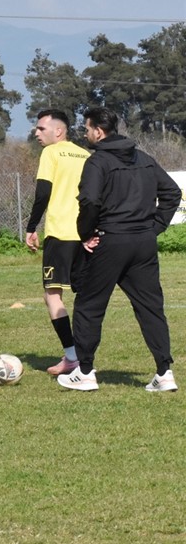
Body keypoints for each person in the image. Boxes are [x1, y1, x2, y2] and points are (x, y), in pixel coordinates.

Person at [57, 106, 180, 392]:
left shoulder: (97, 162)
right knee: (150, 308)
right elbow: (172, 192)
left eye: (87, 129)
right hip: (143, 244)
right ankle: (164, 373)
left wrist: (85, 234)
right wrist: (154, 228)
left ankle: (84, 373)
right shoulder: (144, 158)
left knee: (89, 304)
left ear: (99, 131)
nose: (85, 134)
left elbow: (89, 201)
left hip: (110, 241)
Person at [25, 109, 92, 375]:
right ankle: (86, 357)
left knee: (52, 295)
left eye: (41, 128)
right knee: (85, 297)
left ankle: (72, 356)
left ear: (59, 131)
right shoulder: (86, 155)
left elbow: (43, 193)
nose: (36, 133)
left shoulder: (51, 153)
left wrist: (31, 227)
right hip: (85, 235)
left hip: (61, 234)